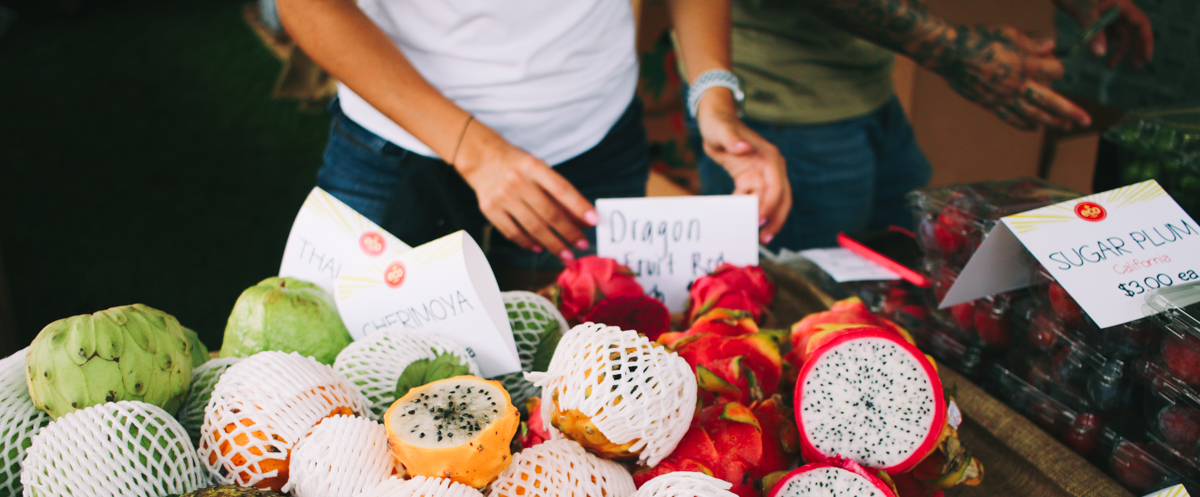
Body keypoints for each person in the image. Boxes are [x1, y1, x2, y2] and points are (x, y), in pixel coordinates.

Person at [275, 0, 792, 271]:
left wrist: (713, 96)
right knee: (352, 402)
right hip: (396, 144)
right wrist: (474, 151)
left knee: (577, 404)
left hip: (594, 144)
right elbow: (309, 6)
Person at [686, 0, 1154, 252]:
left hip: (871, 92)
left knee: (899, 277)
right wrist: (951, 50)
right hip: (785, 112)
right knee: (800, 313)